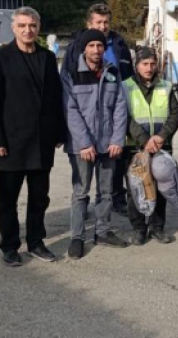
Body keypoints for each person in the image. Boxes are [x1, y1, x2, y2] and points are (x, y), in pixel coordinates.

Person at [0, 7, 67, 266]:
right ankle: (9, 246)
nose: (27, 30)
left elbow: (55, 98)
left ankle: (36, 242)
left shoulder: (47, 57)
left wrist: (58, 131)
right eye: (22, 25)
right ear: (14, 28)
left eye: (32, 25)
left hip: (42, 142)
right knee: (8, 198)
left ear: (38, 27)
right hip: (10, 142)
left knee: (39, 197)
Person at [62, 29, 130, 259]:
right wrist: (83, 143)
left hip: (107, 144)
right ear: (84, 48)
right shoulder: (72, 72)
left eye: (99, 46)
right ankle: (77, 237)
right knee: (81, 192)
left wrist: (117, 139)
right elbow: (70, 110)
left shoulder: (111, 72)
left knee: (106, 191)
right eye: (91, 46)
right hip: (81, 146)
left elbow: (121, 106)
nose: (96, 50)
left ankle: (102, 231)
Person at [62, 4, 135, 215]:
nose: (103, 26)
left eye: (106, 22)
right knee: (83, 177)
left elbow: (128, 78)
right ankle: (82, 211)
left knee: (114, 165)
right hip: (85, 115)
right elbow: (67, 91)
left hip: (114, 112)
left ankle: (115, 201)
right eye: (98, 22)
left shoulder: (119, 43)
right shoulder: (76, 47)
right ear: (89, 24)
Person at [123, 48, 178, 245]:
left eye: (152, 64)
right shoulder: (126, 87)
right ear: (136, 65)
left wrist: (160, 137)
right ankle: (139, 228)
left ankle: (157, 228)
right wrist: (143, 140)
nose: (149, 68)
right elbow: (124, 117)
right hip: (135, 148)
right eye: (144, 64)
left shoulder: (166, 87)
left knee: (160, 188)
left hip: (161, 147)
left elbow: (175, 114)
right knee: (136, 189)